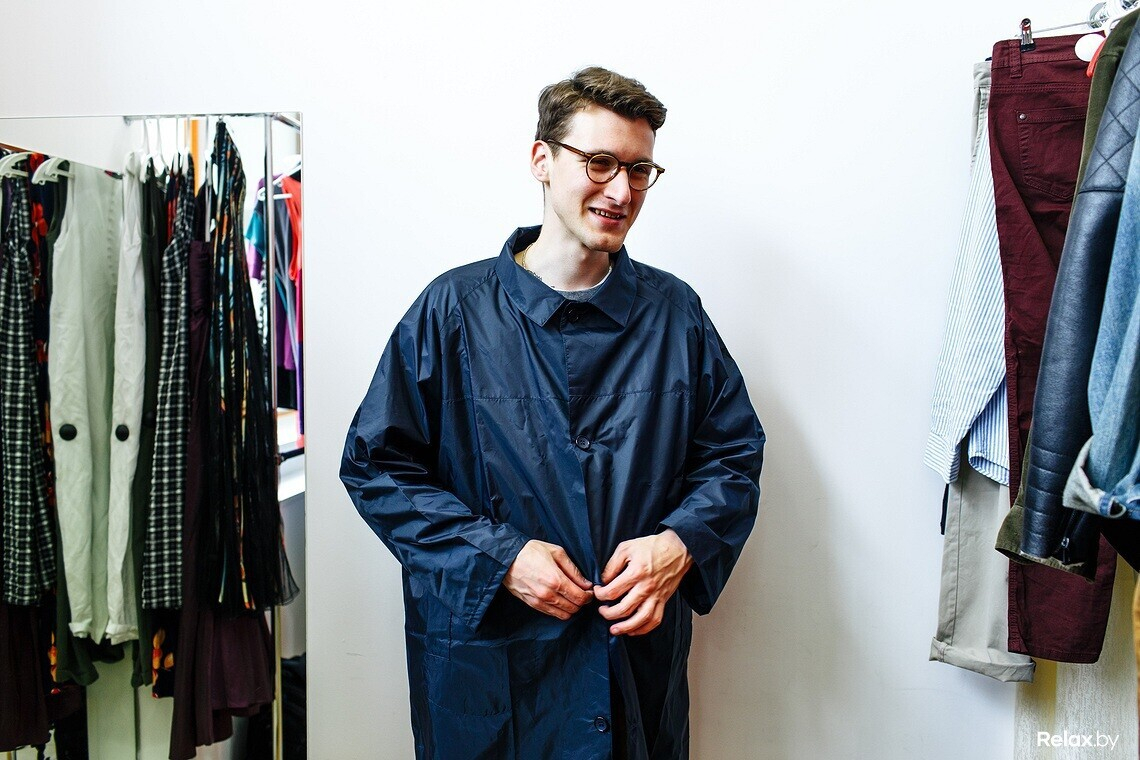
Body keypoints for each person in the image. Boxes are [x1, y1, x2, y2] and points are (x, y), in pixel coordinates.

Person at [341, 66, 765, 760]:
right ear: (542, 159)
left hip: (631, 674)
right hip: (489, 675)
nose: (621, 191)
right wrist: (499, 558)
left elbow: (733, 457)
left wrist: (681, 544)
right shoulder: (452, 312)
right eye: (599, 162)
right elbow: (376, 467)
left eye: (639, 169)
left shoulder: (675, 315)